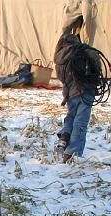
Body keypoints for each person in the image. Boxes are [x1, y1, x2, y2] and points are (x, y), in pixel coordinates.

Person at [54, 19, 101, 163]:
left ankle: (65, 137)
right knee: (80, 122)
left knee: (71, 117)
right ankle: (72, 154)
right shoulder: (84, 51)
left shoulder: (60, 57)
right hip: (85, 91)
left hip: (70, 93)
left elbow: (61, 78)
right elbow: (97, 68)